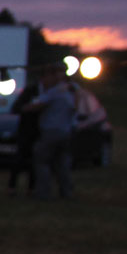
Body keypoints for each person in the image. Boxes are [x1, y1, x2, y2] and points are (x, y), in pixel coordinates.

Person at [23, 66, 77, 199]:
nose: (43, 81)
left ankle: (43, 193)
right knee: (62, 164)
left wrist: (25, 107)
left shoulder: (54, 91)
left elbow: (38, 105)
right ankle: (66, 193)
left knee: (41, 161)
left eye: (45, 77)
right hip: (66, 132)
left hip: (51, 132)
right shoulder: (68, 91)